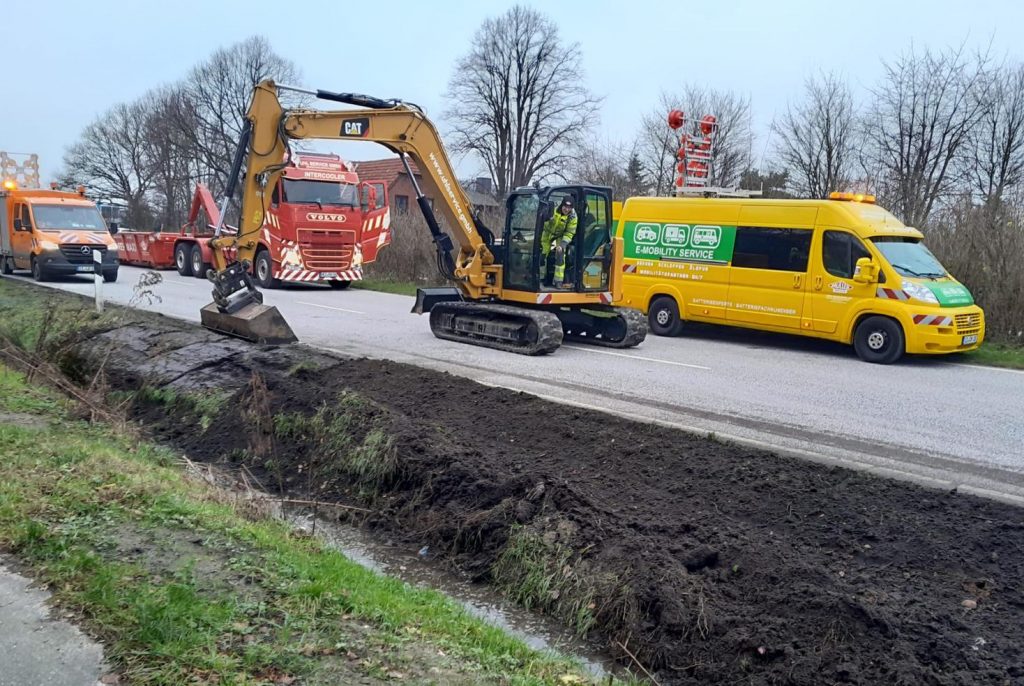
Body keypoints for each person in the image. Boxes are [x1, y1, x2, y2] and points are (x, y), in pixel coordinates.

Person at [541, 196, 577, 287]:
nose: (567, 209)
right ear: (562, 205)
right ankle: (541, 278)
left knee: (560, 254)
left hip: (560, 236)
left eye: (569, 207)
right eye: (565, 206)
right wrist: (548, 219)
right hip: (547, 233)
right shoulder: (553, 210)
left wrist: (562, 245)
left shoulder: (573, 217)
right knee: (542, 253)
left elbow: (569, 233)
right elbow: (543, 220)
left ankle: (558, 281)